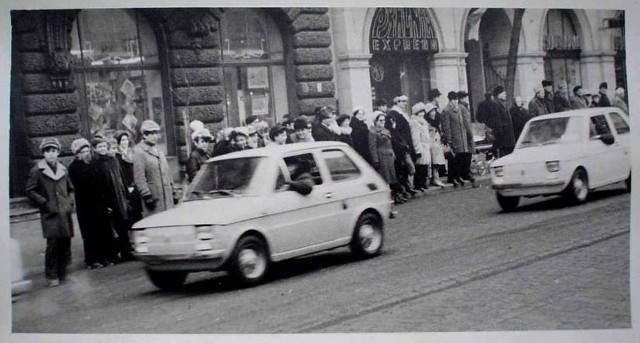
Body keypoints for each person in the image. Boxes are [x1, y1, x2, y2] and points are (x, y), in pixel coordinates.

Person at [26, 138, 75, 287]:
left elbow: (70, 188)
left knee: (65, 243)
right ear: (43, 153)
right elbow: (30, 190)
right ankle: (51, 276)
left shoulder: (63, 169)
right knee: (53, 245)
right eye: (48, 151)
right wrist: (44, 203)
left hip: (64, 213)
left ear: (58, 153)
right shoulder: (37, 171)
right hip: (50, 214)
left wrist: (69, 202)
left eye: (53, 151)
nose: (51, 154)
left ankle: (63, 273)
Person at [90, 136, 129, 264]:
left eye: (104, 146)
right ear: (94, 149)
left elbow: (121, 178)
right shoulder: (94, 164)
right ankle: (114, 254)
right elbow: (97, 186)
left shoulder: (113, 160)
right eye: (99, 147)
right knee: (112, 228)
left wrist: (126, 194)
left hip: (119, 197)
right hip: (108, 200)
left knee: (123, 225)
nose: (103, 149)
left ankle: (126, 252)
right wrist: (105, 203)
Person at [69, 138, 106, 269]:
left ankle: (102, 257)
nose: (86, 153)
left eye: (87, 150)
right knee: (89, 232)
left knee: (100, 229)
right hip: (85, 204)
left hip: (98, 202)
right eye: (82, 151)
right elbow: (81, 183)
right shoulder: (74, 167)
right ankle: (91, 260)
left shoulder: (93, 164)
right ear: (77, 154)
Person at [133, 120, 177, 217]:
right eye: (151, 133)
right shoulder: (139, 151)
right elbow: (139, 177)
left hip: (167, 197)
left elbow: (167, 172)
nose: (155, 136)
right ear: (144, 135)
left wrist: (173, 190)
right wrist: (146, 195)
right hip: (154, 198)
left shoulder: (158, 150)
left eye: (156, 133)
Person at [114, 130, 141, 261]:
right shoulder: (117, 156)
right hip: (125, 188)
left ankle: (136, 242)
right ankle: (128, 245)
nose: (124, 142)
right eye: (122, 140)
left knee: (136, 215)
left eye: (126, 140)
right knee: (127, 217)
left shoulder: (132, 152)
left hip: (134, 186)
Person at [369, 113, 404, 204]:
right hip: (382, 157)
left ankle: (394, 195)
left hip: (389, 156)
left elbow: (390, 144)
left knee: (392, 177)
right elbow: (373, 147)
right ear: (375, 121)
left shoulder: (386, 130)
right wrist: (376, 160)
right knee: (385, 178)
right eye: (380, 120)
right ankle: (387, 198)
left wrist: (393, 154)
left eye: (383, 120)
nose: (382, 122)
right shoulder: (373, 132)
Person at [441, 91, 472, 186]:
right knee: (453, 158)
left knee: (459, 157)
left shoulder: (458, 109)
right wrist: (449, 139)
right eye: (453, 100)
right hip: (454, 137)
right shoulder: (446, 110)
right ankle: (452, 177)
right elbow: (446, 126)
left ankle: (458, 176)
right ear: (450, 100)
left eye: (456, 99)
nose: (455, 101)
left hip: (460, 136)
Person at [387, 95, 416, 194]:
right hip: (399, 144)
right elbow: (395, 131)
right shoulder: (393, 114)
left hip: (406, 143)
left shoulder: (402, 114)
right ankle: (403, 186)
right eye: (403, 101)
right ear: (397, 102)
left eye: (405, 101)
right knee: (401, 165)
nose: (405, 104)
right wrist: (402, 143)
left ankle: (407, 185)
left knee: (406, 165)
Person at [410, 102, 431, 191]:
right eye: (420, 112)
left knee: (424, 166)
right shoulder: (415, 122)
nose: (422, 114)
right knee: (420, 167)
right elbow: (415, 137)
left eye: (423, 112)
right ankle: (418, 184)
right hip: (421, 146)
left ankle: (423, 182)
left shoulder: (423, 122)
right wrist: (417, 149)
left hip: (425, 146)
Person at [424, 103, 446, 187]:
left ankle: (435, 178)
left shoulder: (436, 122)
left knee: (437, 162)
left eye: (434, 111)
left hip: (437, 143)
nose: (433, 113)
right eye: (431, 111)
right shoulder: (426, 123)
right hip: (431, 144)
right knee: (433, 162)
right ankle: (434, 178)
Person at [456, 91, 476, 183]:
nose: (466, 99)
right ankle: (466, 173)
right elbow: (466, 122)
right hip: (466, 134)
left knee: (464, 154)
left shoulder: (460, 107)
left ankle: (464, 172)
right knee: (467, 154)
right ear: (461, 98)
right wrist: (470, 133)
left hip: (462, 134)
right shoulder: (463, 108)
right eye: (464, 97)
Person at [492, 85, 516, 157]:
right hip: (504, 138)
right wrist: (501, 136)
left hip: (508, 136)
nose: (505, 95)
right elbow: (498, 122)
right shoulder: (496, 105)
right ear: (498, 95)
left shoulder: (502, 104)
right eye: (503, 93)